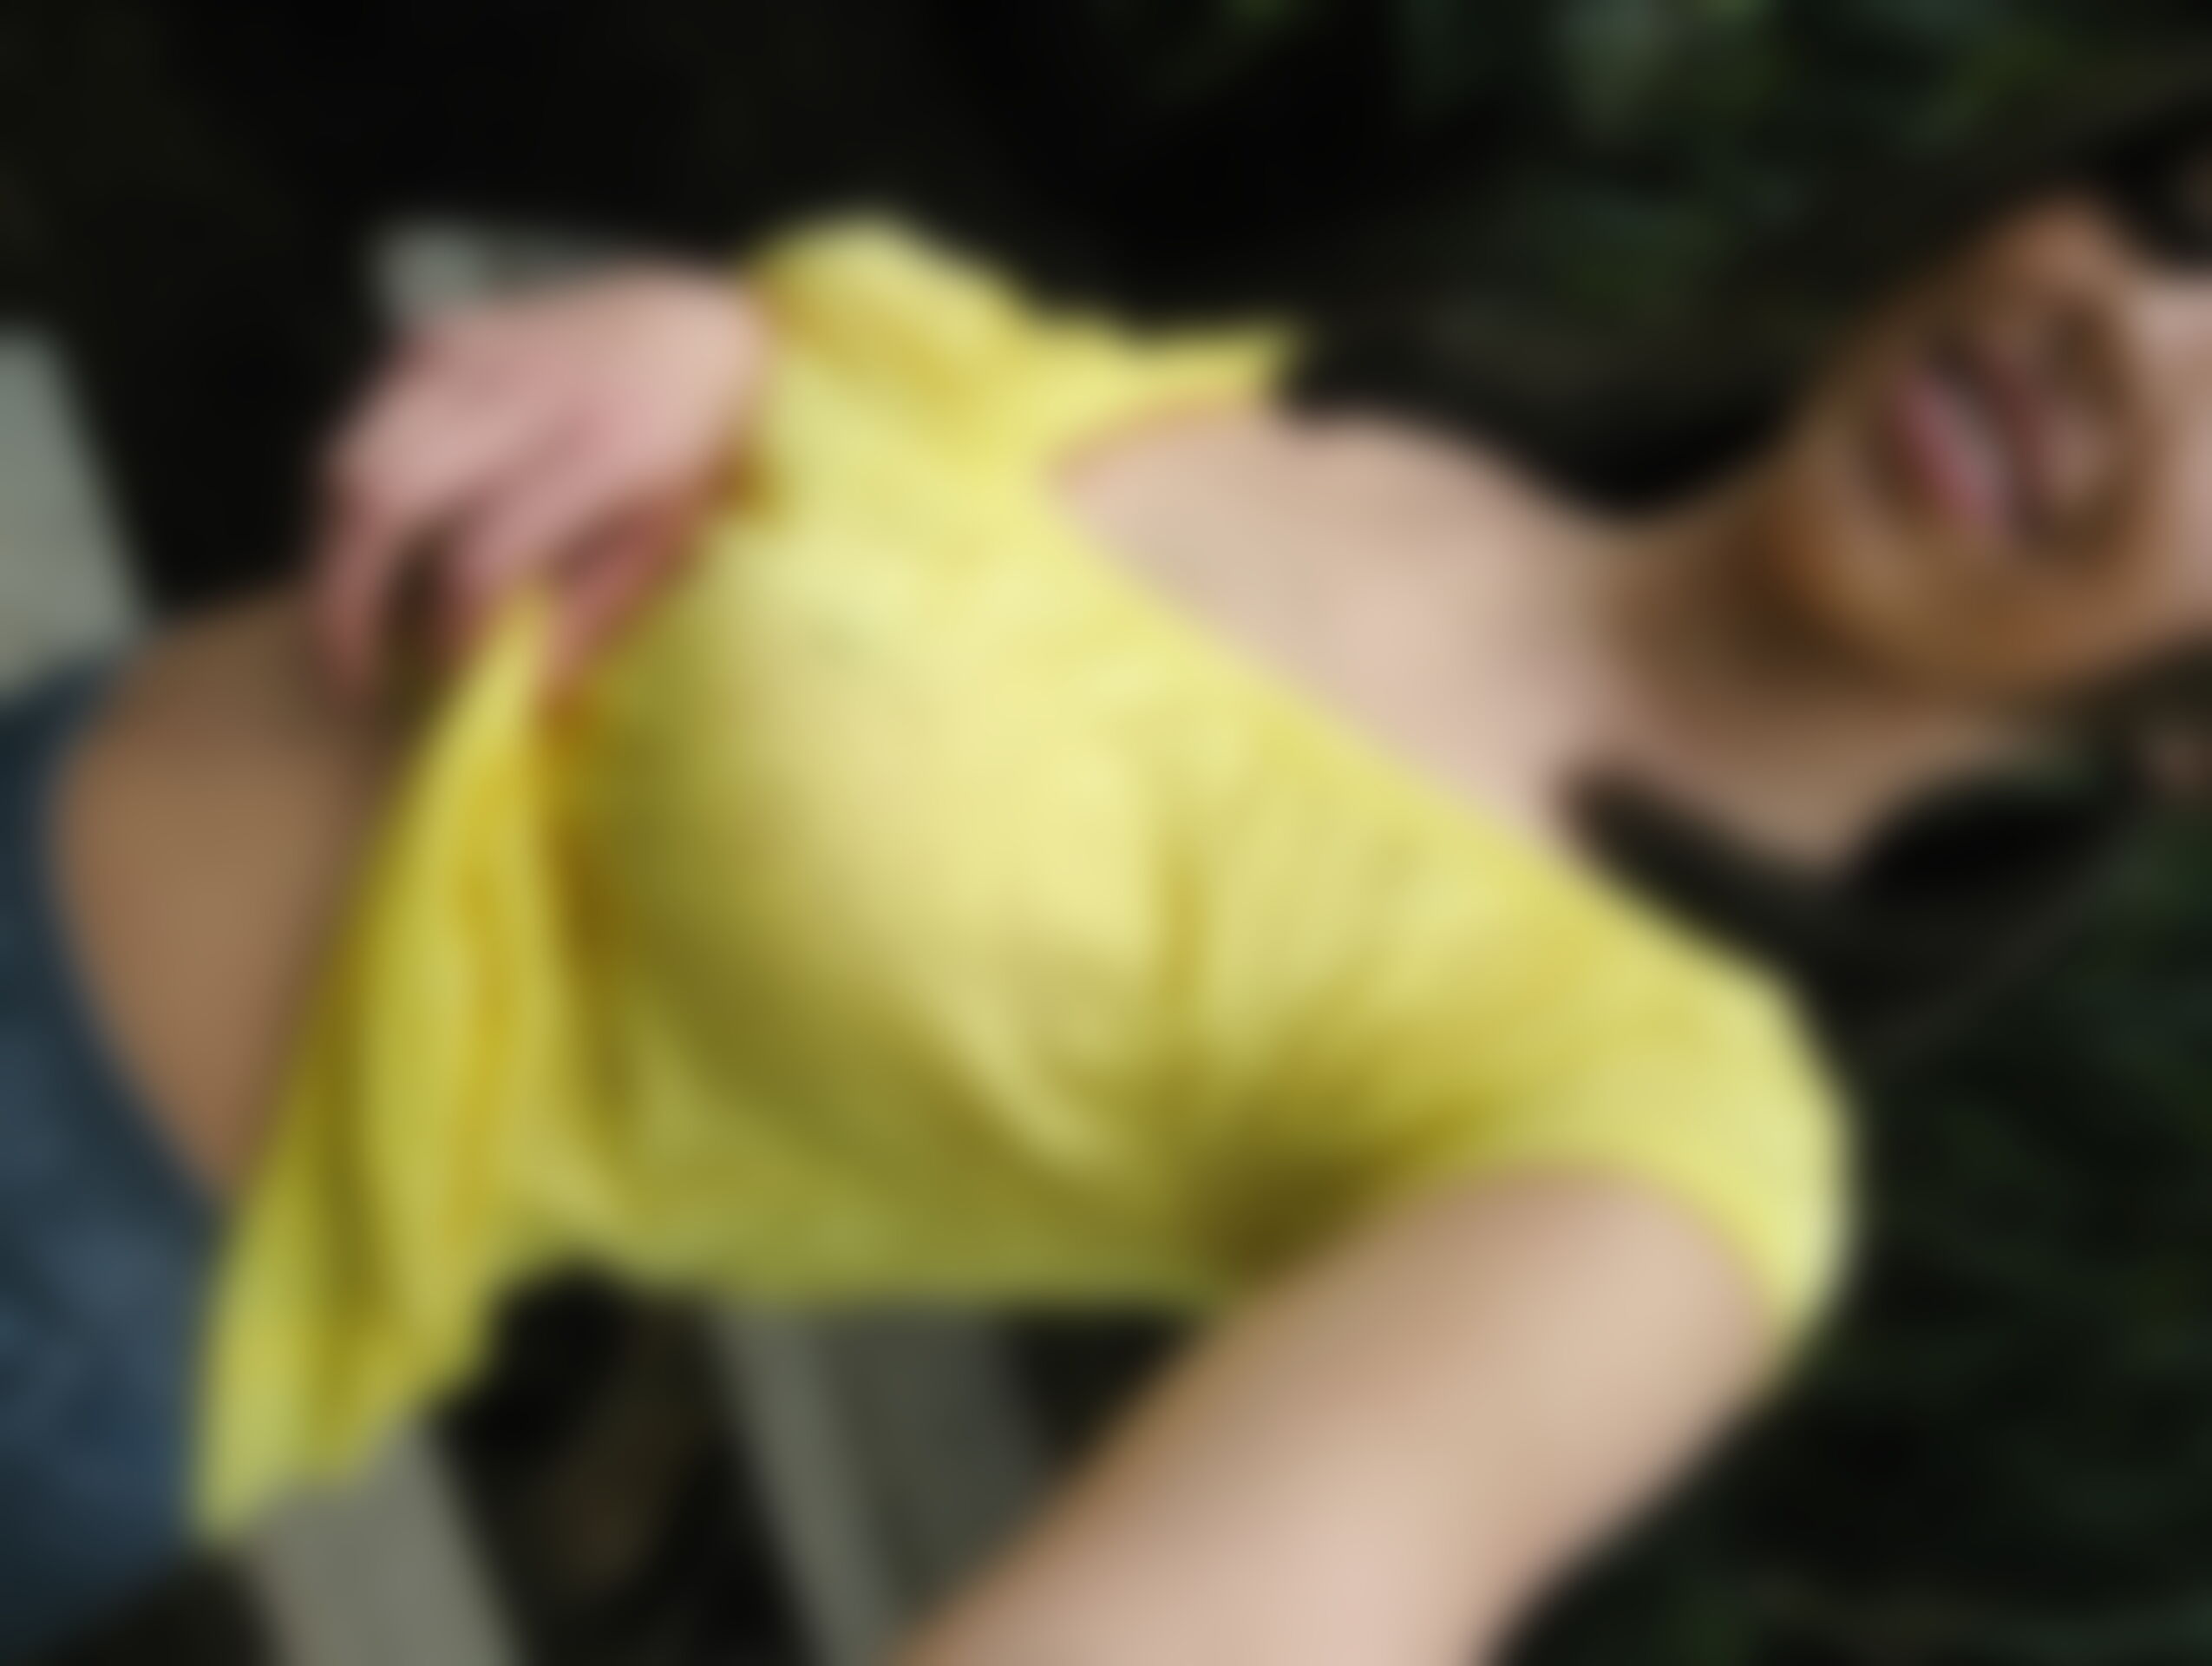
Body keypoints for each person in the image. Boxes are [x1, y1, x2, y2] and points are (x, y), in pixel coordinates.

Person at [13, 78, 2212, 1666]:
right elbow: (915, 485)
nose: (2139, 333)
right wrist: (734, 351)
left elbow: (1309, 1580)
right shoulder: (1383, 409)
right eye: (2184, 222)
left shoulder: (1658, 1130)